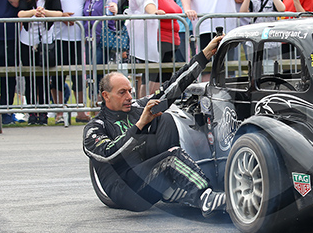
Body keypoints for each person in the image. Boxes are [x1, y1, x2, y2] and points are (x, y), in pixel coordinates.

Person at [83, 34, 226, 217]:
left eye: (130, 91)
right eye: (122, 93)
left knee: (164, 118)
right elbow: (110, 153)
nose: (128, 97)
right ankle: (206, 198)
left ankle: (181, 187)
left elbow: (172, 86)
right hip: (125, 188)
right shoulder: (95, 127)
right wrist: (140, 125)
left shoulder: (137, 108)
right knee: (173, 157)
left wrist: (205, 55)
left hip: (145, 175)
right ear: (105, 95)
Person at [129, 0, 182, 95]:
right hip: (156, 40)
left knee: (162, 80)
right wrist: (154, 11)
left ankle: (153, 112)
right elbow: (147, 2)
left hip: (168, 40)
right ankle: (143, 111)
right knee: (152, 81)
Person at [17, 0, 64, 125]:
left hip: (46, 40)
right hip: (27, 40)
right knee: (29, 77)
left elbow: (59, 13)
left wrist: (45, 12)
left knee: (44, 78)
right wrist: (33, 12)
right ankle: (32, 112)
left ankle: (43, 113)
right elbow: (20, 14)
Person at [51, 0, 90, 124]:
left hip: (79, 37)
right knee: (58, 75)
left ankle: (81, 110)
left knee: (79, 76)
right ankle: (60, 111)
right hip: (59, 36)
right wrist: (61, 16)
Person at [83, 0, 122, 97]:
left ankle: (101, 103)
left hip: (102, 40)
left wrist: (114, 8)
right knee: (91, 74)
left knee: (100, 74)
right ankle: (94, 103)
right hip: (89, 40)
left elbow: (112, 4)